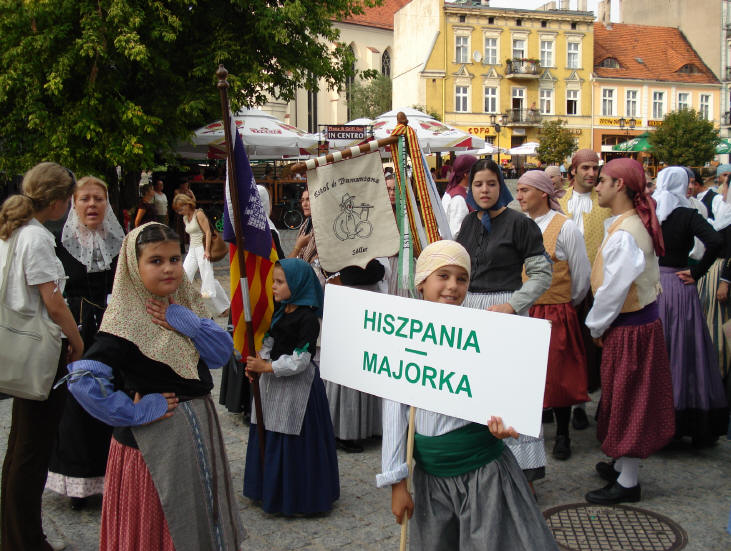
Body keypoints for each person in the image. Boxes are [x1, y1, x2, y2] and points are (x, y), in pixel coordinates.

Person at [64, 223, 245, 550]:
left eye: (175, 259)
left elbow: (220, 354)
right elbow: (83, 380)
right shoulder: (124, 322)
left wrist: (183, 320)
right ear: (134, 266)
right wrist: (134, 411)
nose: (169, 268)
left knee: (198, 510)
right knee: (163, 518)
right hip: (154, 442)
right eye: (156, 261)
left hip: (198, 429)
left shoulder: (184, 305)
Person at [378, 240, 559, 551]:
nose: (452, 287)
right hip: (432, 480)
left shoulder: (483, 335)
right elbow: (394, 412)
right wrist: (398, 484)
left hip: (483, 476)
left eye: (461, 279)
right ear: (421, 283)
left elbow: (502, 394)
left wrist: (505, 422)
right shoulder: (404, 338)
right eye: (443, 276)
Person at [0, 162, 84, 551]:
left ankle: (17, 534)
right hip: (39, 351)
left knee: (21, 447)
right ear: (56, 201)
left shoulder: (13, 231)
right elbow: (53, 301)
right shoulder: (35, 237)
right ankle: (26, 541)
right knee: (31, 450)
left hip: (21, 347)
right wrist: (76, 340)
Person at [456, 159, 552, 487]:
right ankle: (482, 468)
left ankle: (520, 473)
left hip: (507, 313)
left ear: (501, 187)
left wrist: (513, 305)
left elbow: (542, 274)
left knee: (511, 392)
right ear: (470, 188)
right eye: (478, 184)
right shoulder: (468, 224)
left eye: (491, 184)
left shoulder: (520, 225)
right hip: (472, 313)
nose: (485, 190)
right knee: (477, 393)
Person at [585, 158, 674, 505]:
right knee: (624, 396)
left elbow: (613, 290)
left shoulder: (626, 233)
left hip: (631, 328)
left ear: (620, 185)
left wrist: (595, 325)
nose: (598, 184)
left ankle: (629, 481)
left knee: (631, 399)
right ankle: (623, 465)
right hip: (634, 325)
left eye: (604, 179)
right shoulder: (629, 223)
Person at [46, 176, 125, 511]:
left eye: (99, 199)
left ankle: (114, 480)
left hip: (113, 334)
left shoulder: (119, 243)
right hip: (76, 335)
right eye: (85, 199)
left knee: (113, 401)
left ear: (107, 204)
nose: (92, 205)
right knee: (76, 407)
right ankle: (80, 484)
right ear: (73, 204)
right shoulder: (57, 245)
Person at [243, 258, 339, 515]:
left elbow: (301, 360)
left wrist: (269, 367)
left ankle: (298, 494)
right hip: (273, 383)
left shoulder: (307, 318)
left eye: (279, 282)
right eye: (274, 281)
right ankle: (269, 488)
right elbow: (272, 340)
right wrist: (259, 361)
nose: (273, 287)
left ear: (296, 284)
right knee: (270, 432)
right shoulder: (282, 309)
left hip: (298, 388)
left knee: (293, 437)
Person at [516, 170, 591, 460]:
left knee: (559, 374)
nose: (519, 196)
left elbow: (581, 274)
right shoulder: (521, 225)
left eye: (525, 190)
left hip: (555, 309)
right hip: (526, 308)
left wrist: (565, 301)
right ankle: (529, 432)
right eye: (519, 190)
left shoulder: (565, 227)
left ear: (543, 193)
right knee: (529, 374)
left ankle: (563, 433)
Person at [651, 167, 727, 446]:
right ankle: (689, 419)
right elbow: (716, 240)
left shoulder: (651, 211)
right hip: (680, 286)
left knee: (659, 352)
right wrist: (697, 273)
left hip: (654, 286)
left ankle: (657, 420)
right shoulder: (688, 214)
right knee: (686, 350)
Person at [558, 149, 611, 430]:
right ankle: (565, 402)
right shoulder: (559, 202)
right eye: (586, 168)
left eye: (595, 168)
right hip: (562, 287)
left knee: (588, 350)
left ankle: (582, 402)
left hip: (594, 286)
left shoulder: (605, 203)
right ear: (574, 171)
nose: (592, 173)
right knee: (565, 349)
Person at [698, 171, 731, 400]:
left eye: (726, 186)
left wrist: (725, 281)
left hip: (721, 276)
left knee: (721, 330)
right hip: (712, 274)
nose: (723, 190)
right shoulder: (722, 211)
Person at [172, 194, 229, 316]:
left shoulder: (199, 214)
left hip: (202, 247)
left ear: (187, 204)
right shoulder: (185, 218)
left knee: (207, 277)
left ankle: (223, 307)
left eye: (181, 209)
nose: (180, 212)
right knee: (185, 275)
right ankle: (182, 304)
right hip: (192, 249)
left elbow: (208, 232)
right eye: (178, 210)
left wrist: (207, 250)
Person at [441, 154, 477, 238]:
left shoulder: (452, 190)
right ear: (466, 174)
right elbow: (456, 233)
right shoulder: (458, 198)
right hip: (456, 248)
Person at [257, 184, 285, 259]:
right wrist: (298, 248)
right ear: (266, 203)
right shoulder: (270, 232)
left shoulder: (244, 228)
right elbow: (280, 263)